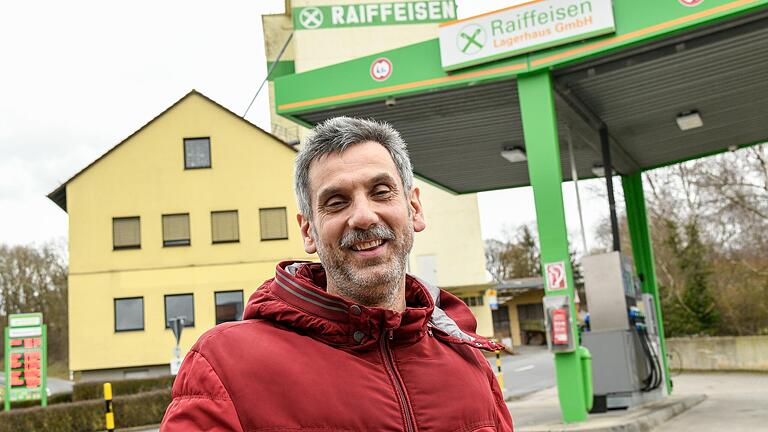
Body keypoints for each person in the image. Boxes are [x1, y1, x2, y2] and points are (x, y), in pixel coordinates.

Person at [160, 117, 513, 431]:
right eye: (336, 201)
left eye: (381, 192)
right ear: (308, 231)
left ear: (414, 208)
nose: (363, 216)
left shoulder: (469, 365)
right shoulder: (225, 367)